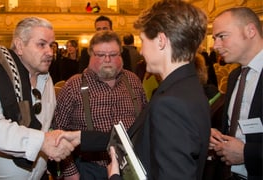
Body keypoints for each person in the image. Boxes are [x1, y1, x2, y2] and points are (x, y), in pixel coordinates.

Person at [58, 0, 211, 179]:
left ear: (161, 41)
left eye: (144, 41)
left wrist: (115, 176)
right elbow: (137, 137)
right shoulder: (186, 87)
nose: (142, 51)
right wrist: (82, 138)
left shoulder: (170, 103)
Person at [0, 17, 78, 179]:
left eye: (51, 45)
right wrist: (41, 141)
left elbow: (45, 123)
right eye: (41, 44)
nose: (50, 52)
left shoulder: (46, 78)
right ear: (19, 45)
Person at [54, 30, 147, 179]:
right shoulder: (74, 85)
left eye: (113, 54)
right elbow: (59, 132)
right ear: (91, 55)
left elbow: (146, 124)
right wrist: (70, 172)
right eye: (101, 55)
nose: (107, 59)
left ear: (120, 55)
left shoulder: (133, 81)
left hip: (131, 168)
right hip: (90, 169)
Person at [209, 7, 263, 180]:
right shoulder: (234, 76)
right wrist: (218, 136)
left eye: (222, 36)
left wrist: (248, 153)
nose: (215, 45)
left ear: (250, 31)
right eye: (214, 38)